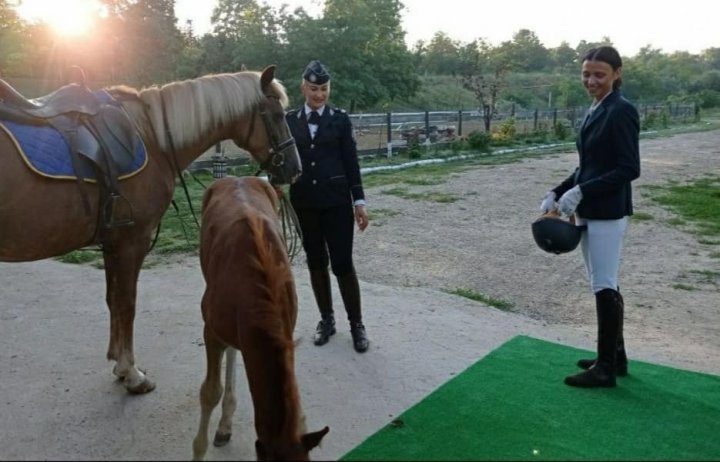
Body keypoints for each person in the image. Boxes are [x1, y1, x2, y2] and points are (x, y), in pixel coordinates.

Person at [540, 46, 640, 388]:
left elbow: (629, 168)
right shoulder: (597, 107)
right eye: (586, 74)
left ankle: (605, 369)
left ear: (617, 73)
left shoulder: (621, 110)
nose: (591, 81)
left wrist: (581, 191)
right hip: (590, 210)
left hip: (608, 211)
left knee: (603, 285)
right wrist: (559, 189)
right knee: (604, 281)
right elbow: (588, 165)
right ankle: (616, 357)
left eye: (599, 74)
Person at [286, 60, 370, 353]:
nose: (319, 94)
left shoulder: (340, 120)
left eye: (323, 89)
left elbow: (351, 163)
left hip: (336, 203)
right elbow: (282, 160)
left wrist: (358, 201)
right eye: (314, 89)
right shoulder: (290, 120)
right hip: (304, 204)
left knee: (343, 263)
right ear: (303, 88)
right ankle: (327, 319)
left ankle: (356, 324)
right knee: (316, 262)